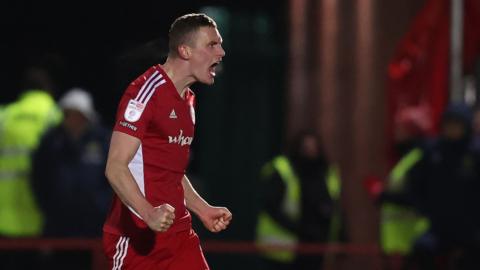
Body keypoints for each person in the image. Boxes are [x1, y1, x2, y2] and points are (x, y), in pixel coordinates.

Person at [102, 13, 232, 270]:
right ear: (185, 51)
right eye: (212, 45)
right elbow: (115, 166)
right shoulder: (144, 93)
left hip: (178, 236)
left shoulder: (189, 101)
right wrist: (149, 213)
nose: (222, 52)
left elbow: (171, 170)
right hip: (137, 238)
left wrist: (202, 209)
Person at [255, 131, 341, 270]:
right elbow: (270, 205)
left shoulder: (327, 173)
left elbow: (335, 207)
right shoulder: (283, 169)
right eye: (306, 148)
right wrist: (298, 229)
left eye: (314, 148)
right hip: (281, 250)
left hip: (316, 246)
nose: (310, 153)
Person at [32, 88, 111, 238]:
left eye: (78, 115)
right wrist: (50, 208)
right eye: (69, 114)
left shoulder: (103, 142)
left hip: (95, 225)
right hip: (58, 225)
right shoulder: (51, 142)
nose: (73, 119)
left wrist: (101, 206)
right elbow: (39, 179)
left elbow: (115, 178)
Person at [0, 65, 62, 238]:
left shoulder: (5, 116)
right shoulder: (55, 115)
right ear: (48, 88)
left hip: (3, 216)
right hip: (40, 214)